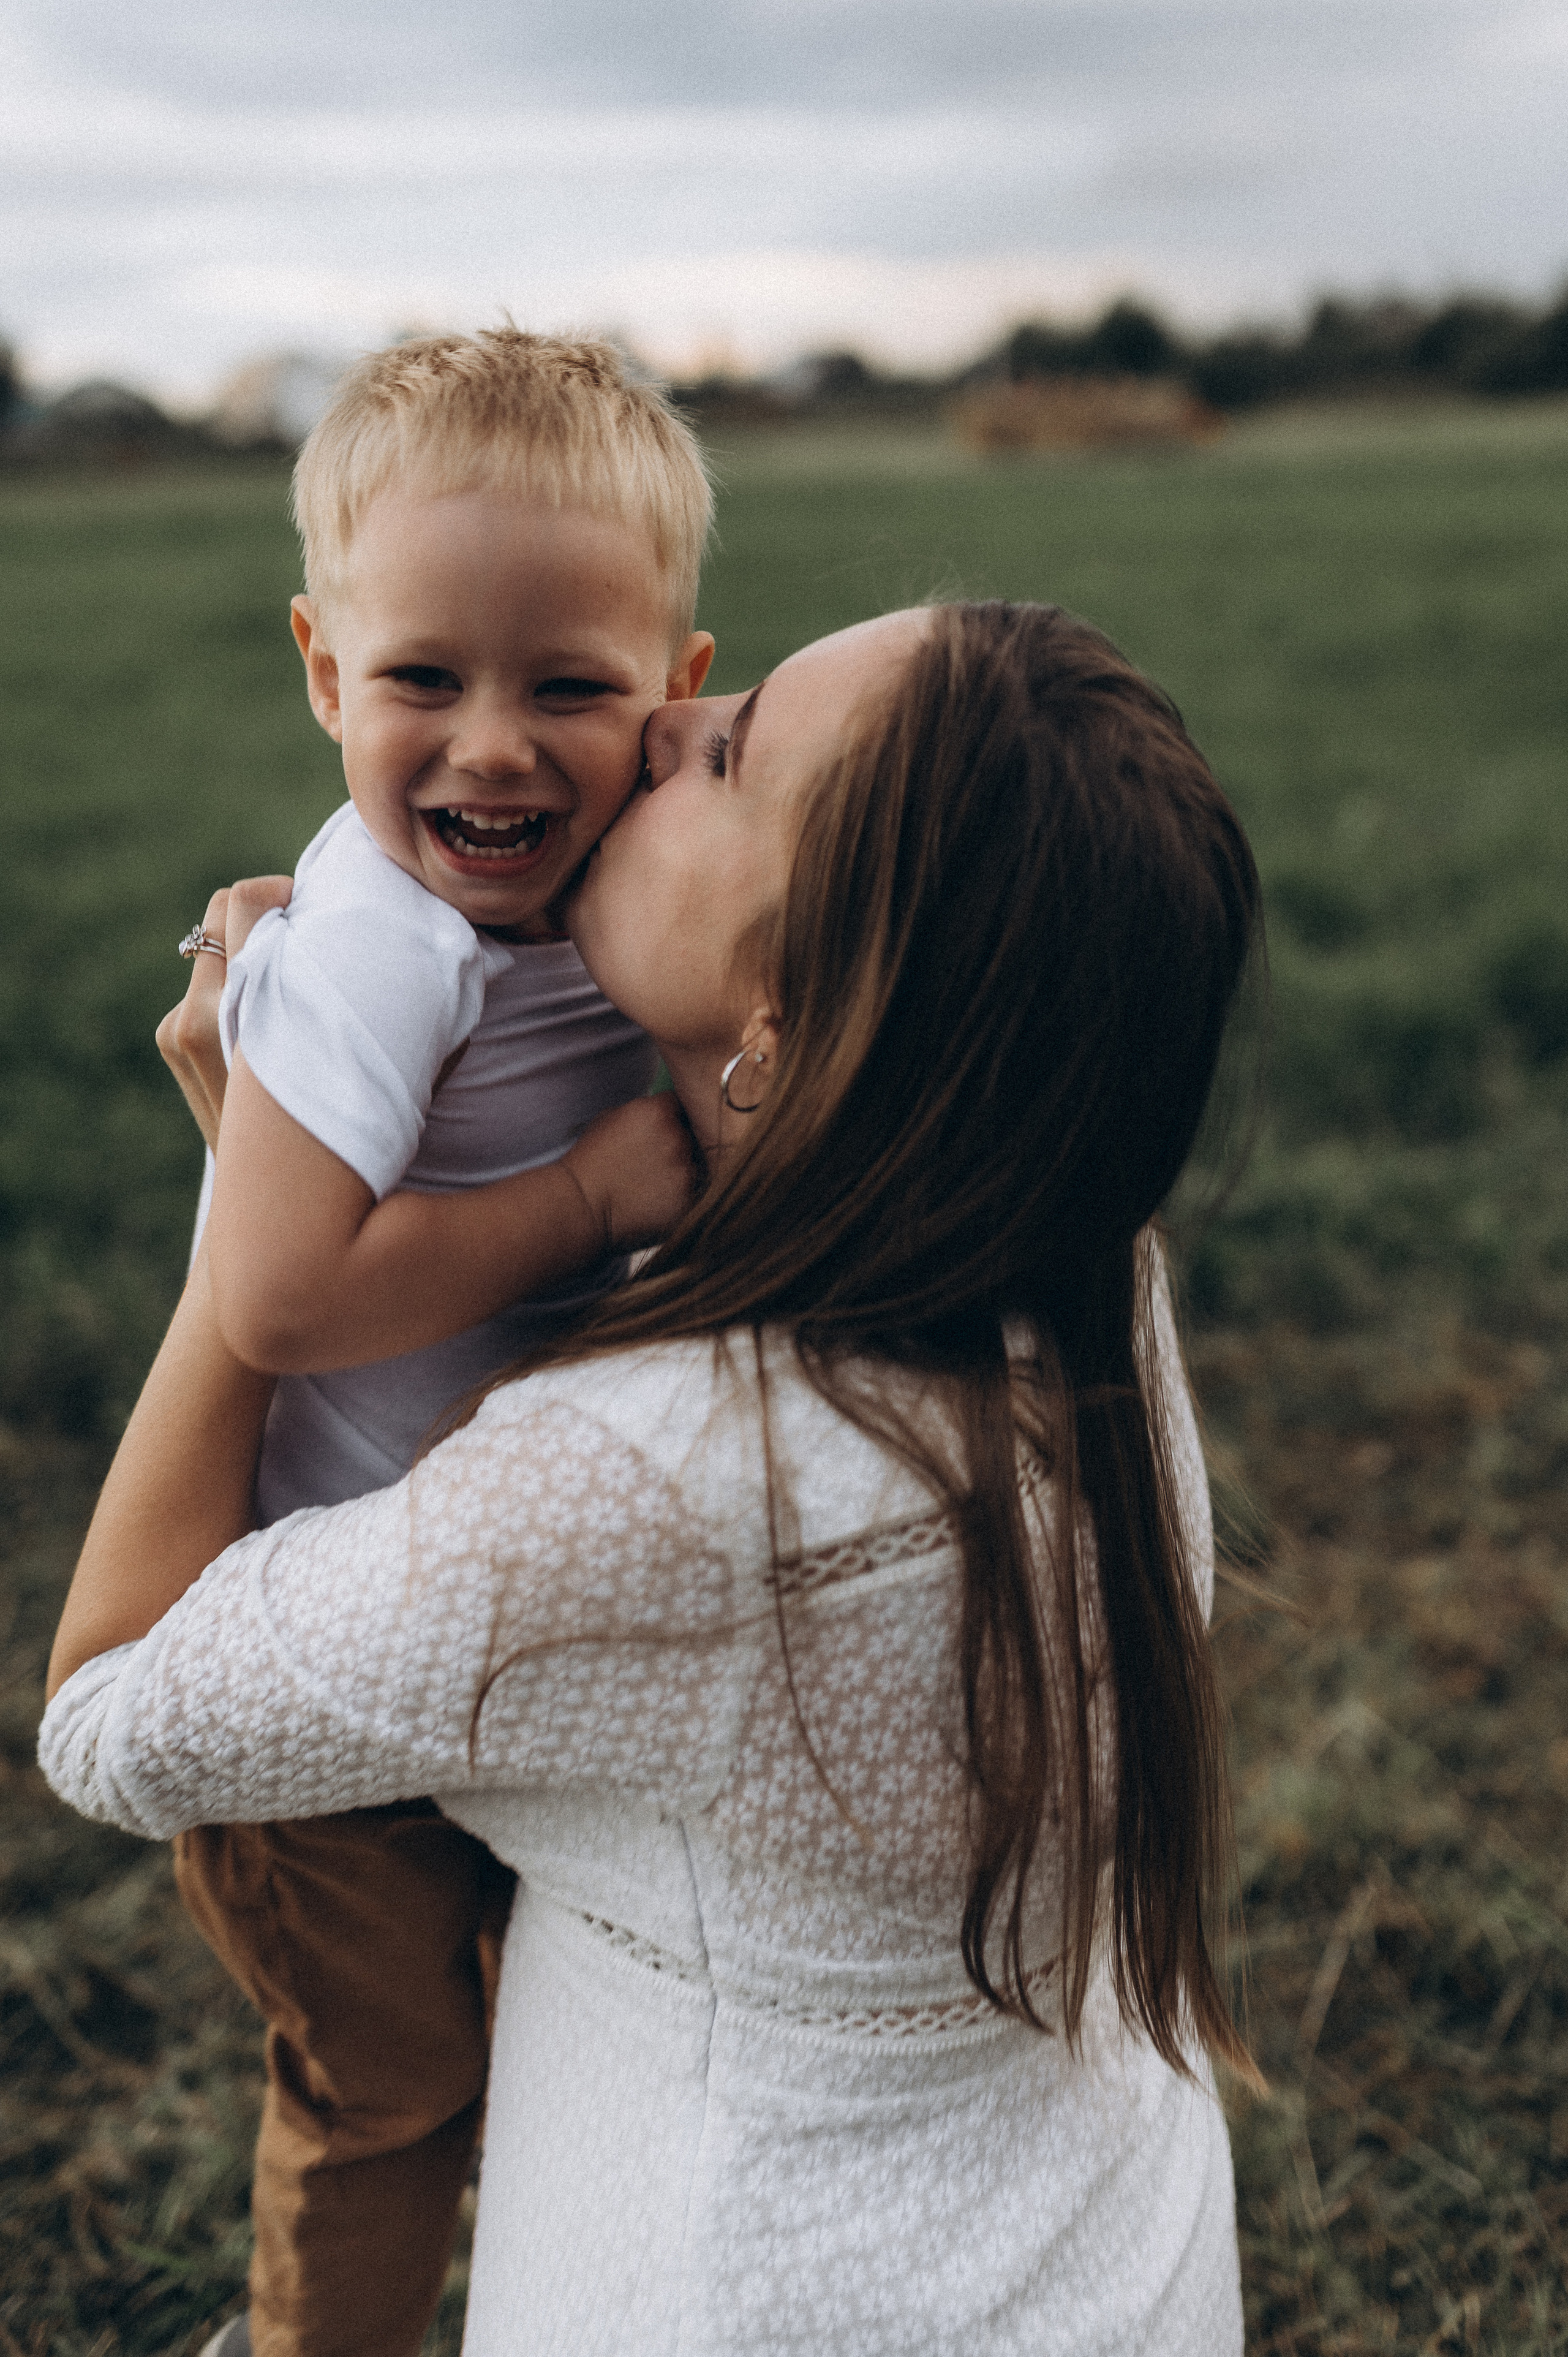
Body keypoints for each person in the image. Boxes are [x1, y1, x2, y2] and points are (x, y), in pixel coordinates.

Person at [43, 597, 1263, 2357]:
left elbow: (104, 1711)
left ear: (781, 1015)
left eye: (735, 754)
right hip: (1106, 2268)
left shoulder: (658, 1482)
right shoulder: (1076, 1256)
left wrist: (266, 1215)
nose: (662, 731)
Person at [163, 328, 713, 2356]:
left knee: (549, 2033)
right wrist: (579, 1205)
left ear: (674, 691)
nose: (492, 749)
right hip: (311, 1680)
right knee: (394, 2090)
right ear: (323, 673)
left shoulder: (601, 889)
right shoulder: (379, 940)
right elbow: (281, 1296)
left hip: (469, 1625)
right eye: (421, 683)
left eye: (568, 686)